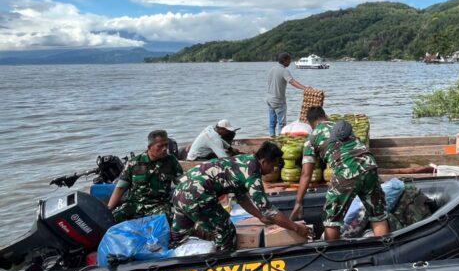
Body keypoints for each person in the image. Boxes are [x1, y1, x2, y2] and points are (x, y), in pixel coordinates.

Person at [170, 141, 312, 251]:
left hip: (180, 192)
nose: (273, 169)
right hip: (197, 195)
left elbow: (241, 197)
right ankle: (223, 265)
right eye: (273, 165)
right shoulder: (252, 175)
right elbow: (269, 210)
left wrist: (259, 217)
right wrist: (296, 228)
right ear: (264, 162)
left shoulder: (244, 160)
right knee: (225, 230)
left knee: (179, 235)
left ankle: (172, 259)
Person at [290, 107, 389, 241]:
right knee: (377, 214)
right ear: (325, 116)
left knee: (331, 220)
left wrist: (298, 202)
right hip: (369, 165)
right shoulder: (343, 128)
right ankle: (385, 248)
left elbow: (306, 174)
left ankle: (332, 254)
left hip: (346, 172)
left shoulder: (311, 139)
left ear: (310, 123)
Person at [107, 129, 183, 222]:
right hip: (134, 204)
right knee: (110, 219)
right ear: (149, 147)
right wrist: (109, 208)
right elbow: (120, 188)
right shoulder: (134, 163)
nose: (164, 149)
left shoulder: (171, 161)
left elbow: (181, 184)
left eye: (166, 145)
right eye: (160, 146)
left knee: (166, 221)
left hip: (158, 205)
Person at [266, 52, 307, 137]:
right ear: (285, 60)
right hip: (278, 100)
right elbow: (292, 82)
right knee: (282, 123)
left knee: (272, 122)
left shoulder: (272, 69)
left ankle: (272, 137)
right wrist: (305, 88)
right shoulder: (284, 71)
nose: (290, 62)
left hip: (269, 99)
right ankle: (281, 140)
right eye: (289, 60)